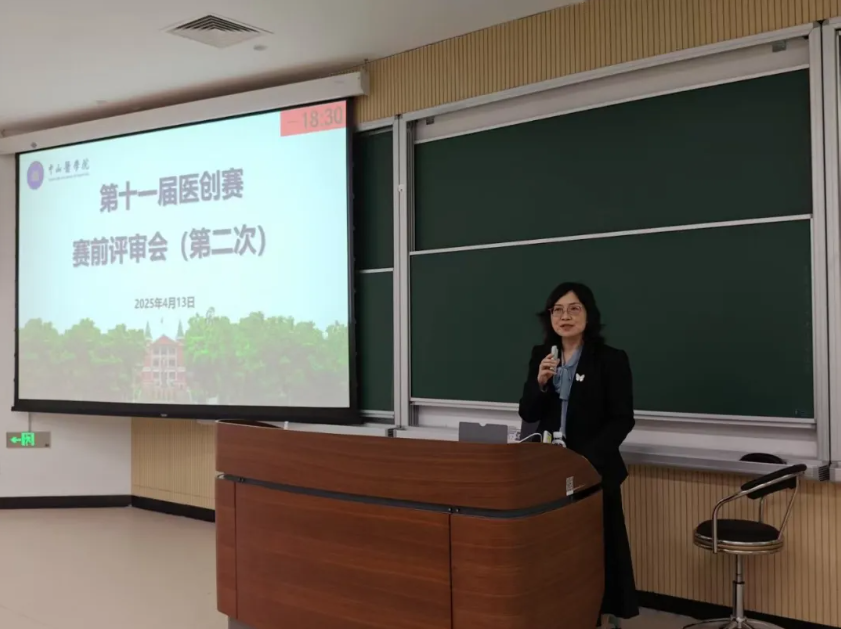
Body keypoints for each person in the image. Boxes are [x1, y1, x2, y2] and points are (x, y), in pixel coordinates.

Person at [518, 281, 639, 626]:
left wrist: (584, 460)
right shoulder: (541, 356)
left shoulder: (610, 360)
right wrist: (540, 383)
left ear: (589, 315)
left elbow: (622, 419)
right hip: (549, 473)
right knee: (555, 549)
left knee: (595, 550)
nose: (565, 316)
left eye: (574, 309)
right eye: (557, 310)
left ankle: (596, 614)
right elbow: (528, 412)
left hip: (593, 470)